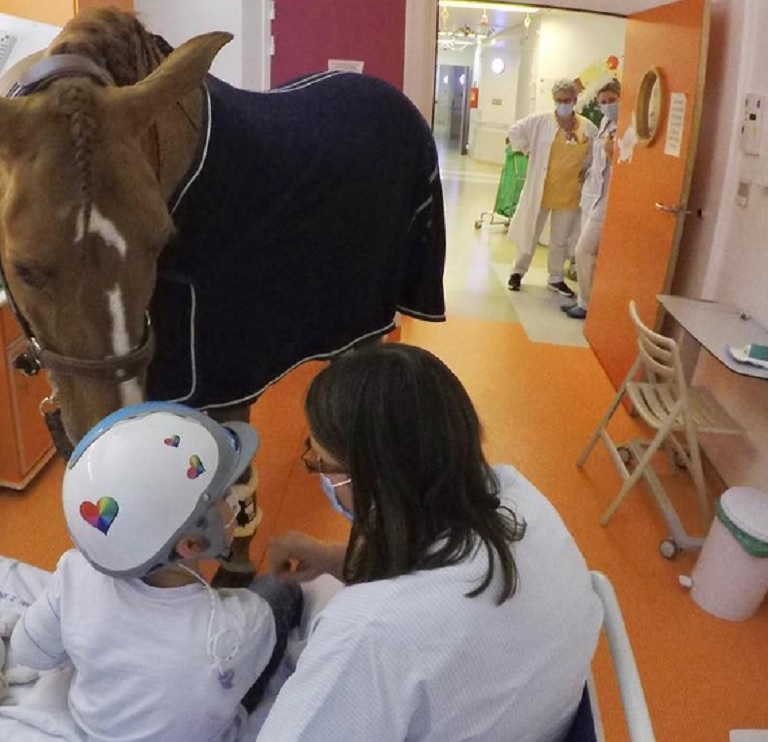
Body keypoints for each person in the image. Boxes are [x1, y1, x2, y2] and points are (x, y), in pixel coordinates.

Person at [257, 344, 603, 741]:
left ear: (371, 478)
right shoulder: (521, 498)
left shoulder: (367, 636)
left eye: (321, 464)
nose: (321, 478)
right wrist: (334, 557)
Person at [9, 402, 302, 742]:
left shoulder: (74, 574)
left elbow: (28, 652)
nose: (236, 500)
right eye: (226, 495)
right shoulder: (243, 621)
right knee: (280, 590)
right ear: (192, 544)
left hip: (93, 730)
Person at [507, 79, 599, 298]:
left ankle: (555, 278)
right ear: (554, 100)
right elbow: (515, 131)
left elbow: (596, 156)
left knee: (560, 239)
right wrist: (528, 150)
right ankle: (518, 272)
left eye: (567, 100)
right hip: (541, 188)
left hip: (569, 192)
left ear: (575, 100)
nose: (563, 104)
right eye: (559, 100)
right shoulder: (540, 121)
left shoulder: (588, 128)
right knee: (530, 232)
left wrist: (587, 170)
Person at [563, 80, 621, 320]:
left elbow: (621, 161)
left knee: (583, 250)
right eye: (603, 102)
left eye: (612, 101)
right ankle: (587, 300)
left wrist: (611, 150)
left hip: (608, 199)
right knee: (589, 253)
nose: (607, 106)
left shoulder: (627, 127)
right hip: (594, 195)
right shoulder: (606, 123)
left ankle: (587, 304)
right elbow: (596, 159)